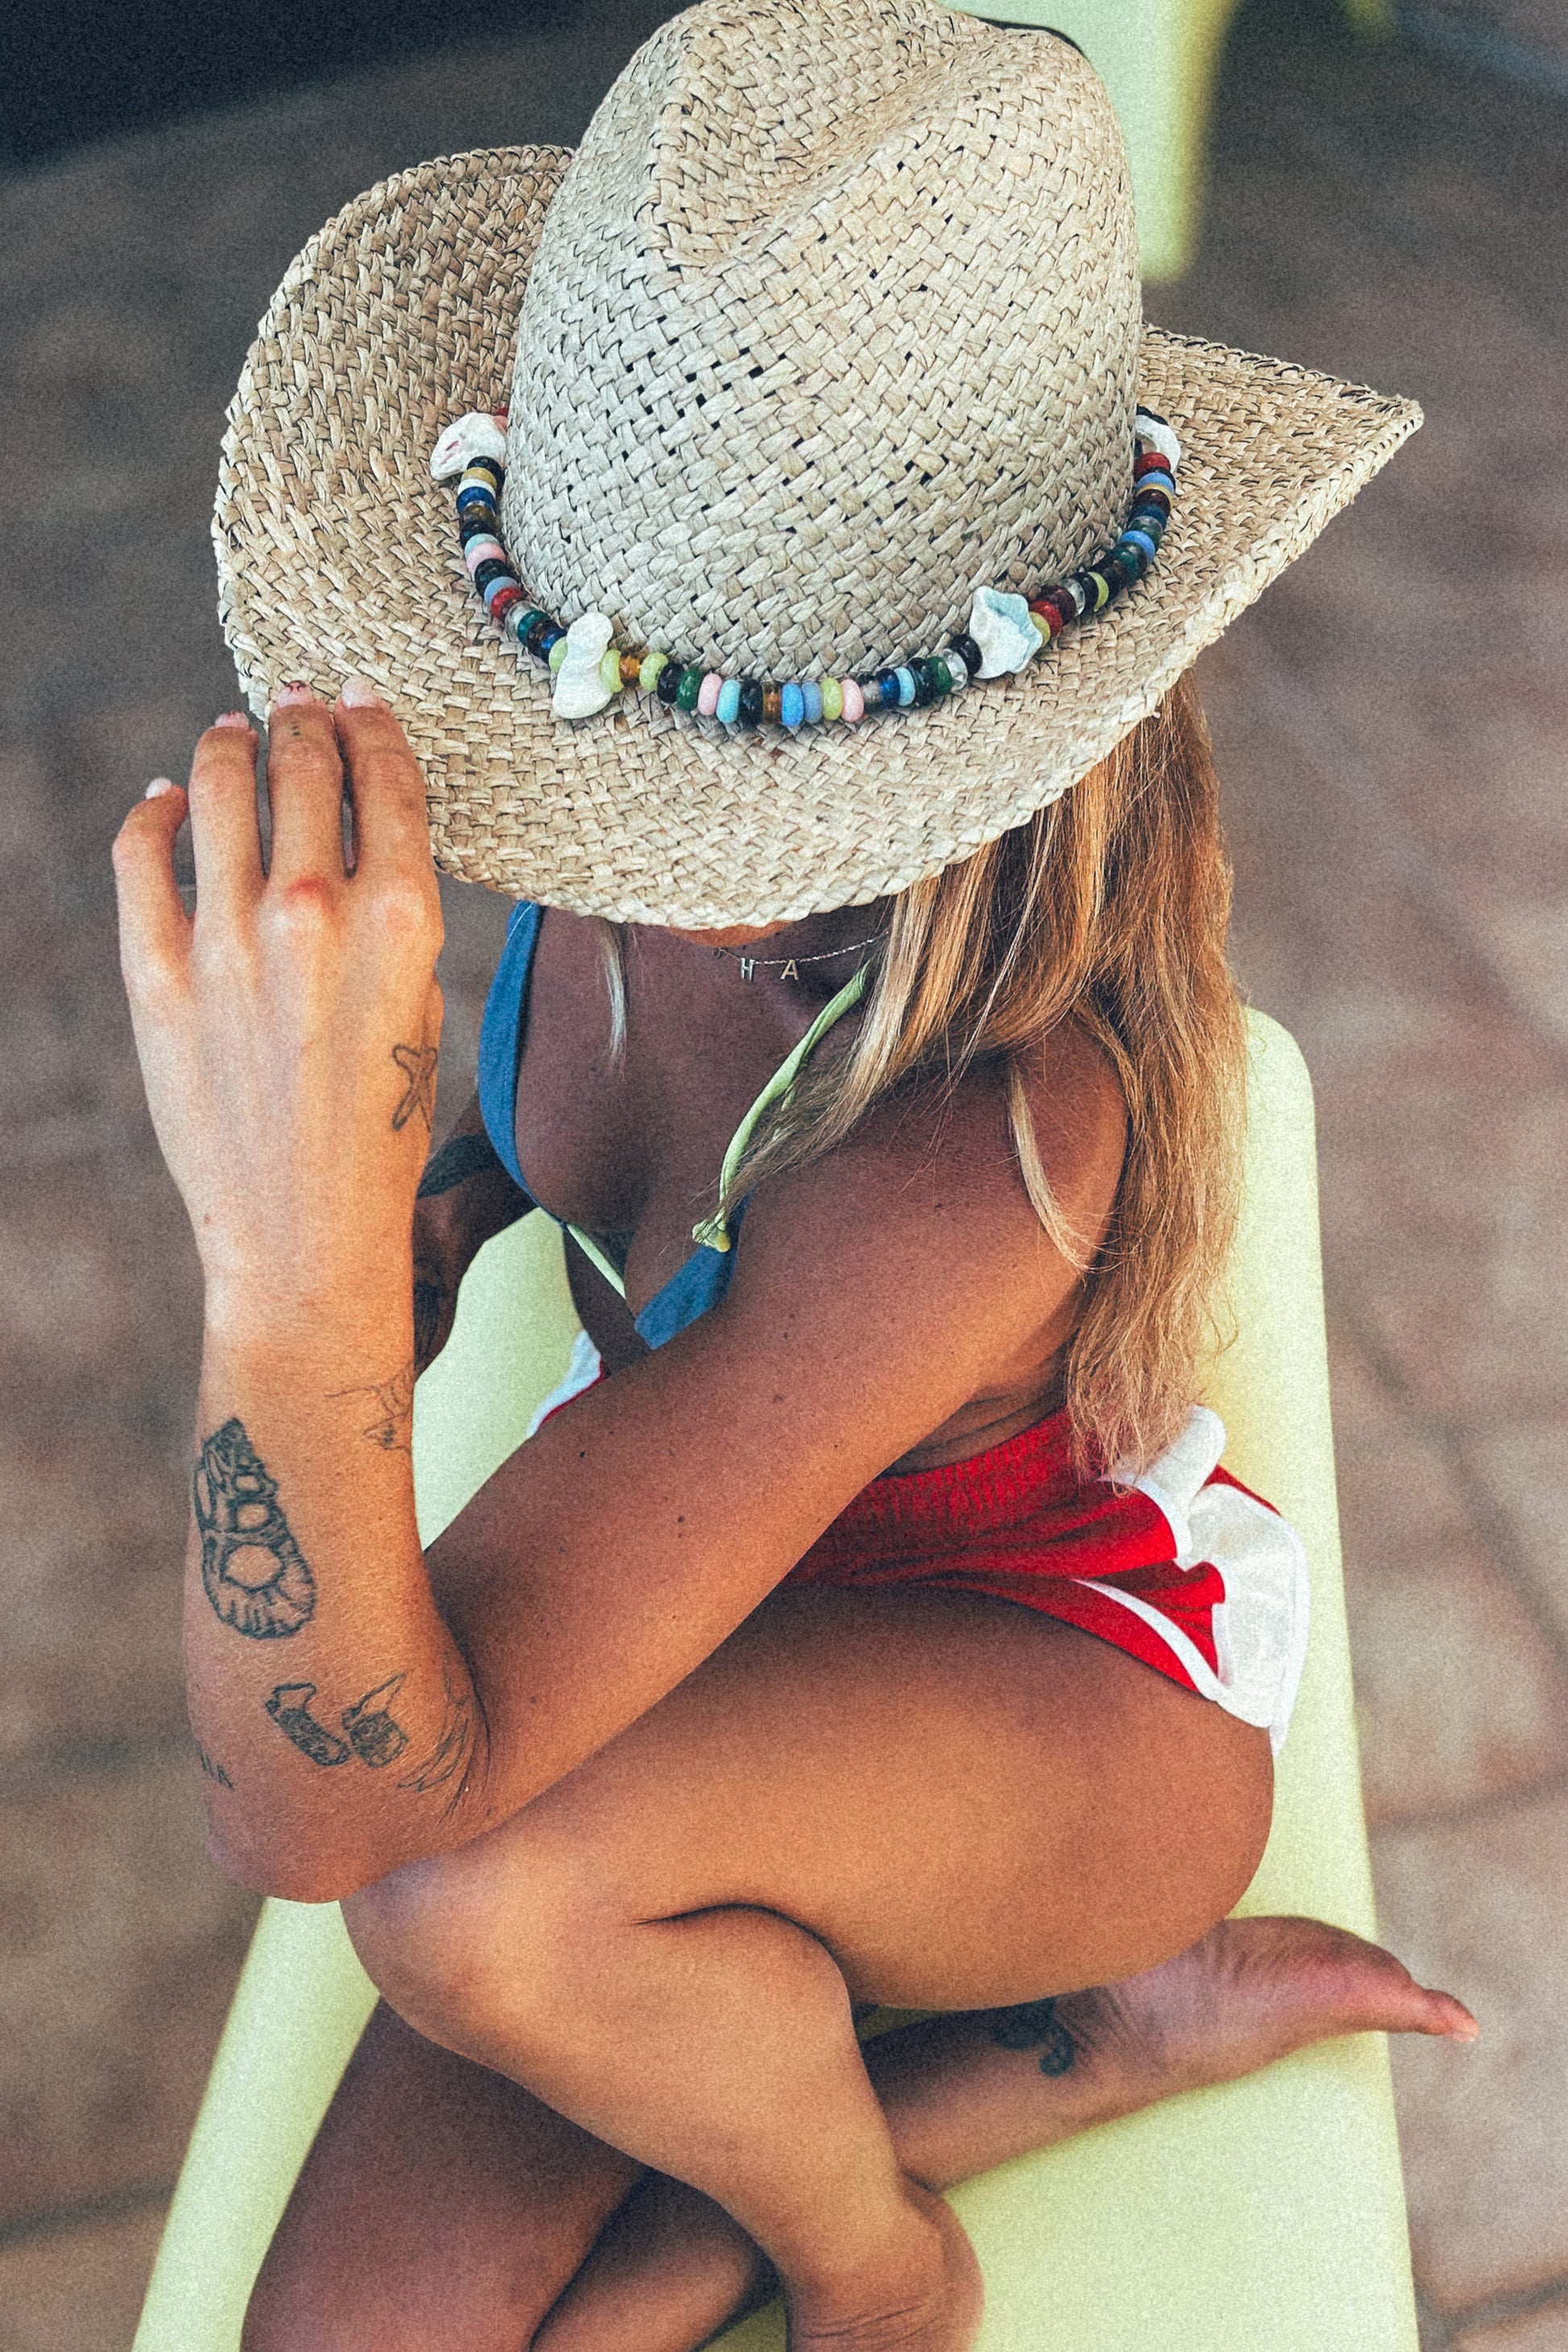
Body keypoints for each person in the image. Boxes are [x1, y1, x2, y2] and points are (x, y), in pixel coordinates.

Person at [114, 4, 1475, 2348]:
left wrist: (282, 1277)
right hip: (716, 1625)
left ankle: (880, 2233)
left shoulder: (975, 1146)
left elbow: (342, 1822)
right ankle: (969, 2083)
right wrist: (417, 1201)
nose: (627, 827)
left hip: (1045, 1694)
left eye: (711, 770)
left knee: (470, 1910)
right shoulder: (576, 852)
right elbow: (497, 1220)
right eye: (608, 723)